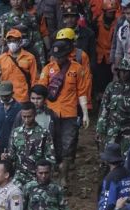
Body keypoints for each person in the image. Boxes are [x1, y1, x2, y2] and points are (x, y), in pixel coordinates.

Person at [36, 40, 90, 190]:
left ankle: (63, 177)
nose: (57, 59)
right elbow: (41, 89)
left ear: (67, 55)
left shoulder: (77, 69)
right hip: (51, 113)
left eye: (60, 56)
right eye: (55, 56)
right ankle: (49, 175)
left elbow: (82, 92)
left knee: (68, 145)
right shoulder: (48, 69)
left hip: (69, 113)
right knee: (50, 143)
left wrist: (85, 113)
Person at [95, 57, 130, 152]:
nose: (124, 74)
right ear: (118, 71)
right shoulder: (111, 87)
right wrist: (100, 129)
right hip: (113, 128)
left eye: (127, 71)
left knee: (128, 158)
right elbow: (104, 109)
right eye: (122, 71)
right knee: (109, 156)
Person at [4, 101, 55, 188]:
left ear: (35, 115)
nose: (26, 120)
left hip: (37, 177)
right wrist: (6, 156)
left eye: (29, 116)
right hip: (19, 177)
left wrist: (45, 176)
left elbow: (50, 157)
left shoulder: (44, 133)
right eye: (24, 117)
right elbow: (12, 155)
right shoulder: (16, 132)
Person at [0, 0, 45, 66]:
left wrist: (41, 61)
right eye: (13, 0)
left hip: (28, 55)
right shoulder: (4, 19)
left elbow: (37, 40)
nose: (16, 2)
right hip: (11, 57)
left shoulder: (31, 18)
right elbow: (1, 41)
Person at [0, 29, 37, 103]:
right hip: (5, 97)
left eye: (14, 40)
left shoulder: (30, 57)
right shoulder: (1, 58)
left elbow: (34, 79)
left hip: (23, 98)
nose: (12, 43)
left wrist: (33, 96)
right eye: (9, 41)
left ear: (20, 41)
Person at [94, 0, 119, 96]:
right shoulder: (96, 22)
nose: (111, 14)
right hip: (100, 56)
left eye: (113, 12)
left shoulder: (118, 22)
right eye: (110, 12)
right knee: (100, 79)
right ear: (104, 11)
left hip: (112, 56)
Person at [0, 81, 22, 155]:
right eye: (2, 95)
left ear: (12, 94)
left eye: (7, 95)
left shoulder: (19, 108)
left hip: (15, 144)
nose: (4, 98)